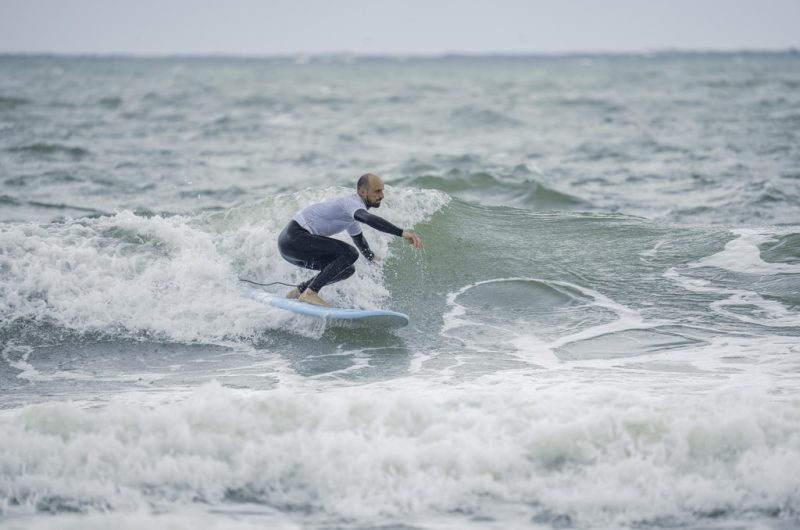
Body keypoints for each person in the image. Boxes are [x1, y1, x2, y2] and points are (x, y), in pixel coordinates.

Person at [277, 173, 424, 306]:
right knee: (350, 253)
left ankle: (299, 291)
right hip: (294, 237)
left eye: (382, 191)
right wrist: (403, 233)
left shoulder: (351, 215)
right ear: (362, 192)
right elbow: (368, 219)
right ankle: (311, 293)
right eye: (377, 191)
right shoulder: (351, 203)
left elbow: (359, 240)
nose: (382, 195)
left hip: (291, 248)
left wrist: (371, 257)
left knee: (347, 269)